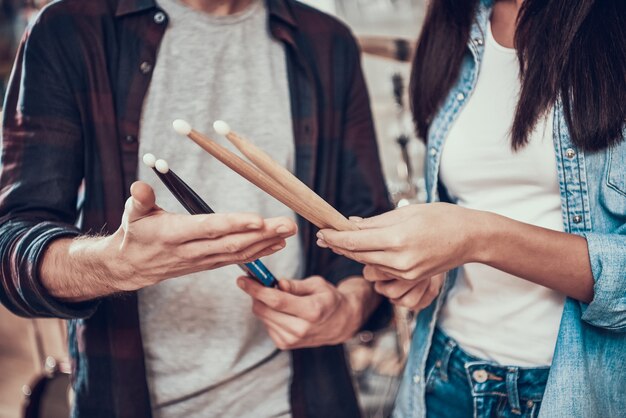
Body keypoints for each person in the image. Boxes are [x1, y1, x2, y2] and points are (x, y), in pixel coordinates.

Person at [0, 0, 391, 417]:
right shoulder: (70, 28)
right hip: (124, 401)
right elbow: (11, 250)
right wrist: (115, 264)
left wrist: (349, 306)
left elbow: (366, 228)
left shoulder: (328, 42)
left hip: (305, 399)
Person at [318, 0, 626, 417]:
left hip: (576, 391)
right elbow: (463, 207)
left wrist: (475, 237)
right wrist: (430, 268)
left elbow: (471, 228)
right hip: (445, 374)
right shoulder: (457, 21)